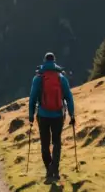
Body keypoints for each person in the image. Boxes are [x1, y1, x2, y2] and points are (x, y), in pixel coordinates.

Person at [29, 52, 75, 182]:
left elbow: (32, 98)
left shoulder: (38, 78)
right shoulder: (61, 78)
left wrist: (31, 115)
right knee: (56, 142)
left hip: (43, 115)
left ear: (44, 61)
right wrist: (72, 114)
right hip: (58, 115)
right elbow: (69, 97)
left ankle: (49, 170)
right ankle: (55, 169)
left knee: (45, 143)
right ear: (54, 61)